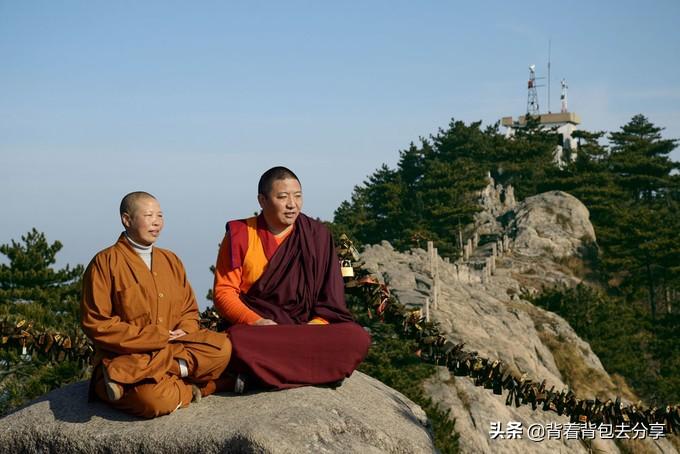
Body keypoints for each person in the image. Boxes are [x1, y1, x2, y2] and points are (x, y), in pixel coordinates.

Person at [213, 166, 371, 390]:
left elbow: (330, 301)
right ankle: (318, 372)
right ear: (262, 200)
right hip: (262, 329)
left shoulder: (317, 235)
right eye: (282, 197)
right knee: (236, 339)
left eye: (298, 196)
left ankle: (260, 375)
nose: (292, 204)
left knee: (357, 338)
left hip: (306, 329)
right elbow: (224, 292)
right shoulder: (241, 234)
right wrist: (256, 322)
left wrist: (314, 327)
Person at [81, 191, 232, 418]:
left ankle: (128, 376)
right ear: (127, 219)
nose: (156, 222)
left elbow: (189, 310)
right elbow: (97, 323)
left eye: (160, 216)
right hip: (129, 354)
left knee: (223, 348)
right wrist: (154, 337)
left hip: (173, 347)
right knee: (153, 401)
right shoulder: (105, 262)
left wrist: (187, 329)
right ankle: (202, 387)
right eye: (149, 215)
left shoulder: (170, 260)